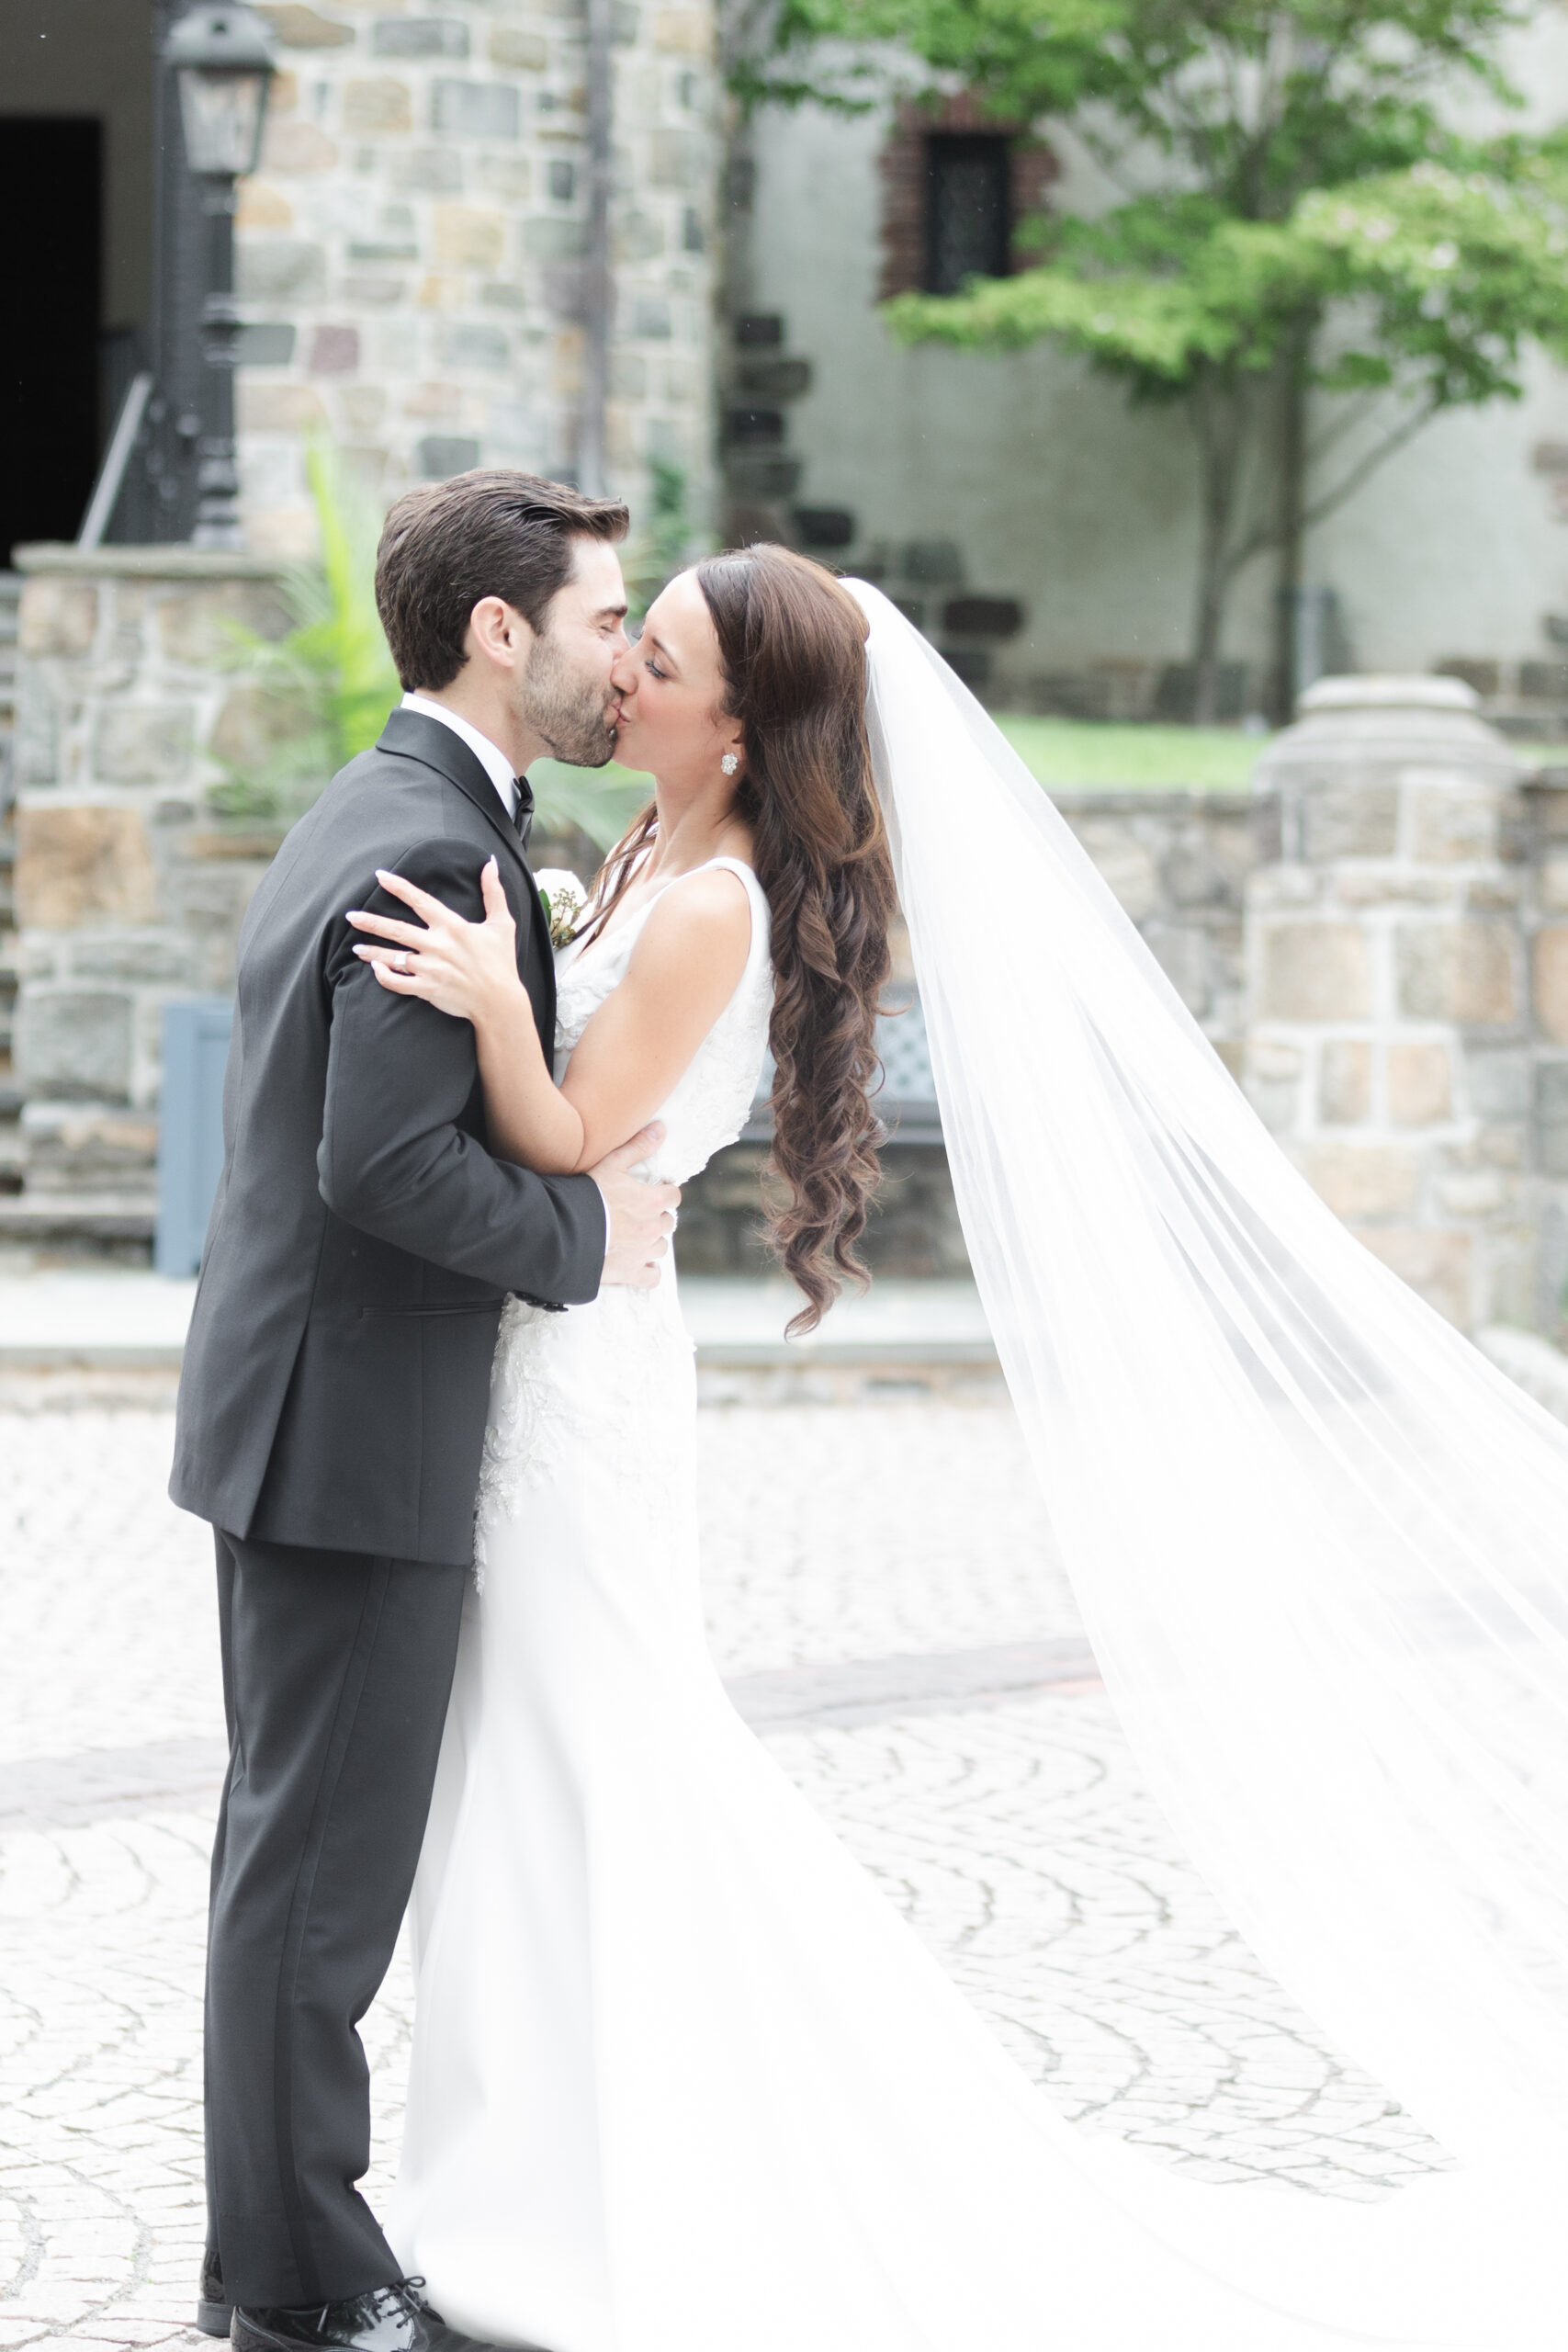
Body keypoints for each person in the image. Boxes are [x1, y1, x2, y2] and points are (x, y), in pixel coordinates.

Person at [339, 542, 1568, 2350]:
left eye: (654, 658)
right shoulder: (638, 852)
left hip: (583, 1377)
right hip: (554, 1352)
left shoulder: (709, 904)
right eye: (631, 641)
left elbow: (564, 1137)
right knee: (525, 1765)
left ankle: (617, 2187)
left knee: (589, 1753)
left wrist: (497, 1004)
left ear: (741, 725)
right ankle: (530, 2160)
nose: (622, 679)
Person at [169, 471, 682, 2352]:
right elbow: (383, 1163)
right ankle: (299, 2281)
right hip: (351, 1422)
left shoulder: (389, 806)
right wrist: (583, 1226)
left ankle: (280, 2253)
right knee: (316, 1880)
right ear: (500, 627)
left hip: (310, 1403)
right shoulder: (432, 846)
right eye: (602, 613)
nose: (613, 647)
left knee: (291, 1855)